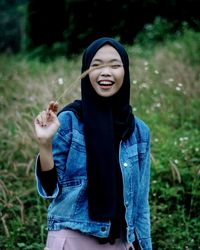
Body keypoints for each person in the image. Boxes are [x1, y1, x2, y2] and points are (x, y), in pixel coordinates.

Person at [34, 37, 152, 250]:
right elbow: (50, 189)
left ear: (125, 72)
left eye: (115, 65)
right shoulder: (69, 121)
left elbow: (141, 204)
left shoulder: (139, 132)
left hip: (122, 243)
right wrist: (45, 144)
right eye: (96, 66)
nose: (106, 72)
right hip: (72, 237)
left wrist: (144, 245)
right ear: (85, 72)